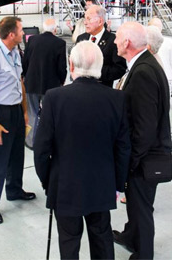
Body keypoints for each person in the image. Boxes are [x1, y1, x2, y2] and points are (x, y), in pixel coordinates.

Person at [34, 41, 131, 259]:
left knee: (69, 241)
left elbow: (41, 149)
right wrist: (118, 184)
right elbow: (123, 146)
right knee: (102, 237)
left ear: (71, 65)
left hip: (65, 185)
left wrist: (47, 180)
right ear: (100, 65)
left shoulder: (54, 98)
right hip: (101, 184)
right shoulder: (116, 99)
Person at [111, 22, 172, 260]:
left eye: (117, 38)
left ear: (127, 43)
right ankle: (130, 236)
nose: (115, 41)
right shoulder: (144, 63)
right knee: (135, 206)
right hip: (147, 154)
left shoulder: (144, 72)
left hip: (145, 158)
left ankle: (144, 254)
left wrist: (130, 161)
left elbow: (145, 127)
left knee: (142, 209)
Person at [0, 16, 36, 224]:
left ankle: (14, 190)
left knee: (15, 155)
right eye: (21, 30)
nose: (23, 33)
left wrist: (24, 112)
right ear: (11, 34)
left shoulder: (14, 53)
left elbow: (20, 82)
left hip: (15, 111)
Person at [22, 18, 67, 149]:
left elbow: (26, 61)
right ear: (55, 29)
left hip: (32, 83)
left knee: (32, 113)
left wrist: (25, 76)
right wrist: (62, 81)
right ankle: (49, 141)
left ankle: (30, 141)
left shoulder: (32, 40)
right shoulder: (60, 43)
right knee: (50, 113)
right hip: (51, 86)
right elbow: (61, 67)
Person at [76, 5, 127, 87]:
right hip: (81, 88)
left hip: (102, 88)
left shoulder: (113, 40)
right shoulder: (81, 38)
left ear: (100, 21)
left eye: (89, 19)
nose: (85, 22)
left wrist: (95, 71)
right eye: (85, 19)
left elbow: (120, 69)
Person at [148, 18, 172, 87]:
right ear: (161, 28)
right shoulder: (169, 42)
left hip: (151, 79)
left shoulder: (144, 43)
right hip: (167, 77)